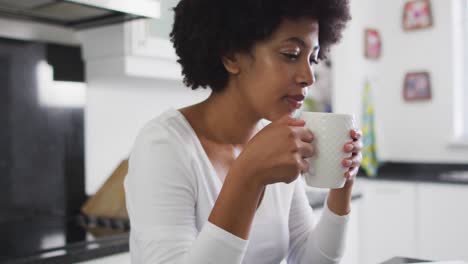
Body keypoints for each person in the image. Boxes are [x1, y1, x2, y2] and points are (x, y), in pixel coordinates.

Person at [124, 0, 362, 263]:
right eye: (291, 54)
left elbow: (309, 260)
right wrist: (247, 176)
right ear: (231, 55)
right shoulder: (164, 146)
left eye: (313, 58)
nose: (309, 76)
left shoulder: (278, 142)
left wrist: (342, 182)